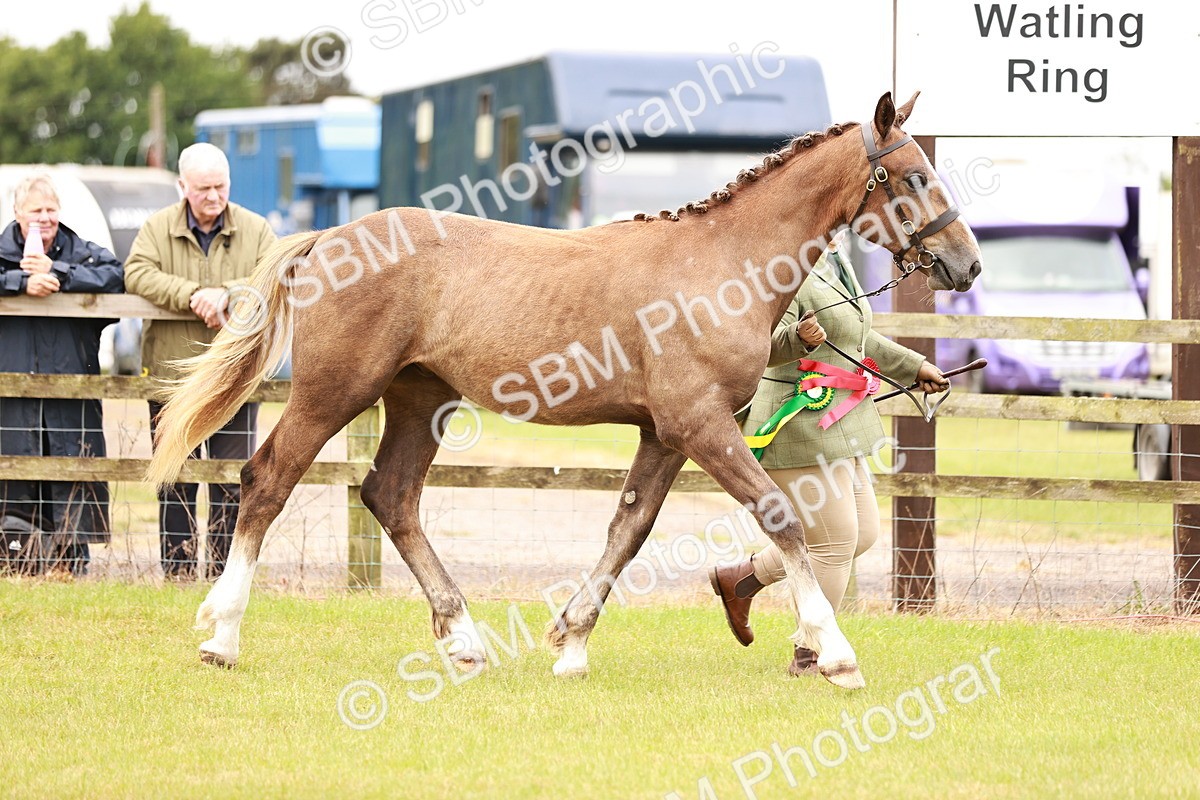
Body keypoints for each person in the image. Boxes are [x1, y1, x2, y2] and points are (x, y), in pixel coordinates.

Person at [710, 232, 948, 675]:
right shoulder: (784, 263)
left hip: (841, 420)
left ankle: (742, 579)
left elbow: (858, 340)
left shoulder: (837, 258)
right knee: (834, 541)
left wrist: (915, 366)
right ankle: (811, 654)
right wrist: (798, 338)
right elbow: (755, 344)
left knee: (863, 535)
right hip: (795, 422)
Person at [124, 142, 276, 581]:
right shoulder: (155, 228)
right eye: (203, 188)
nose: (214, 196)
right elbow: (136, 272)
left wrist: (227, 292)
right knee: (176, 476)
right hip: (174, 377)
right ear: (181, 186)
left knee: (232, 479)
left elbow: (280, 271)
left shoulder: (256, 228)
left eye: (221, 186)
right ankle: (178, 571)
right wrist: (192, 296)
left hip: (235, 374)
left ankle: (225, 575)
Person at [0, 172, 124, 576]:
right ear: (17, 212)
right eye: (35, 210)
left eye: (51, 209)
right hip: (11, 394)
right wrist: (19, 282)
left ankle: (70, 565)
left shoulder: (82, 251)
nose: (44, 217)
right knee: (14, 471)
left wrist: (61, 274)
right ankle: (16, 560)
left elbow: (116, 274)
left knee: (72, 468)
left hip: (73, 390)